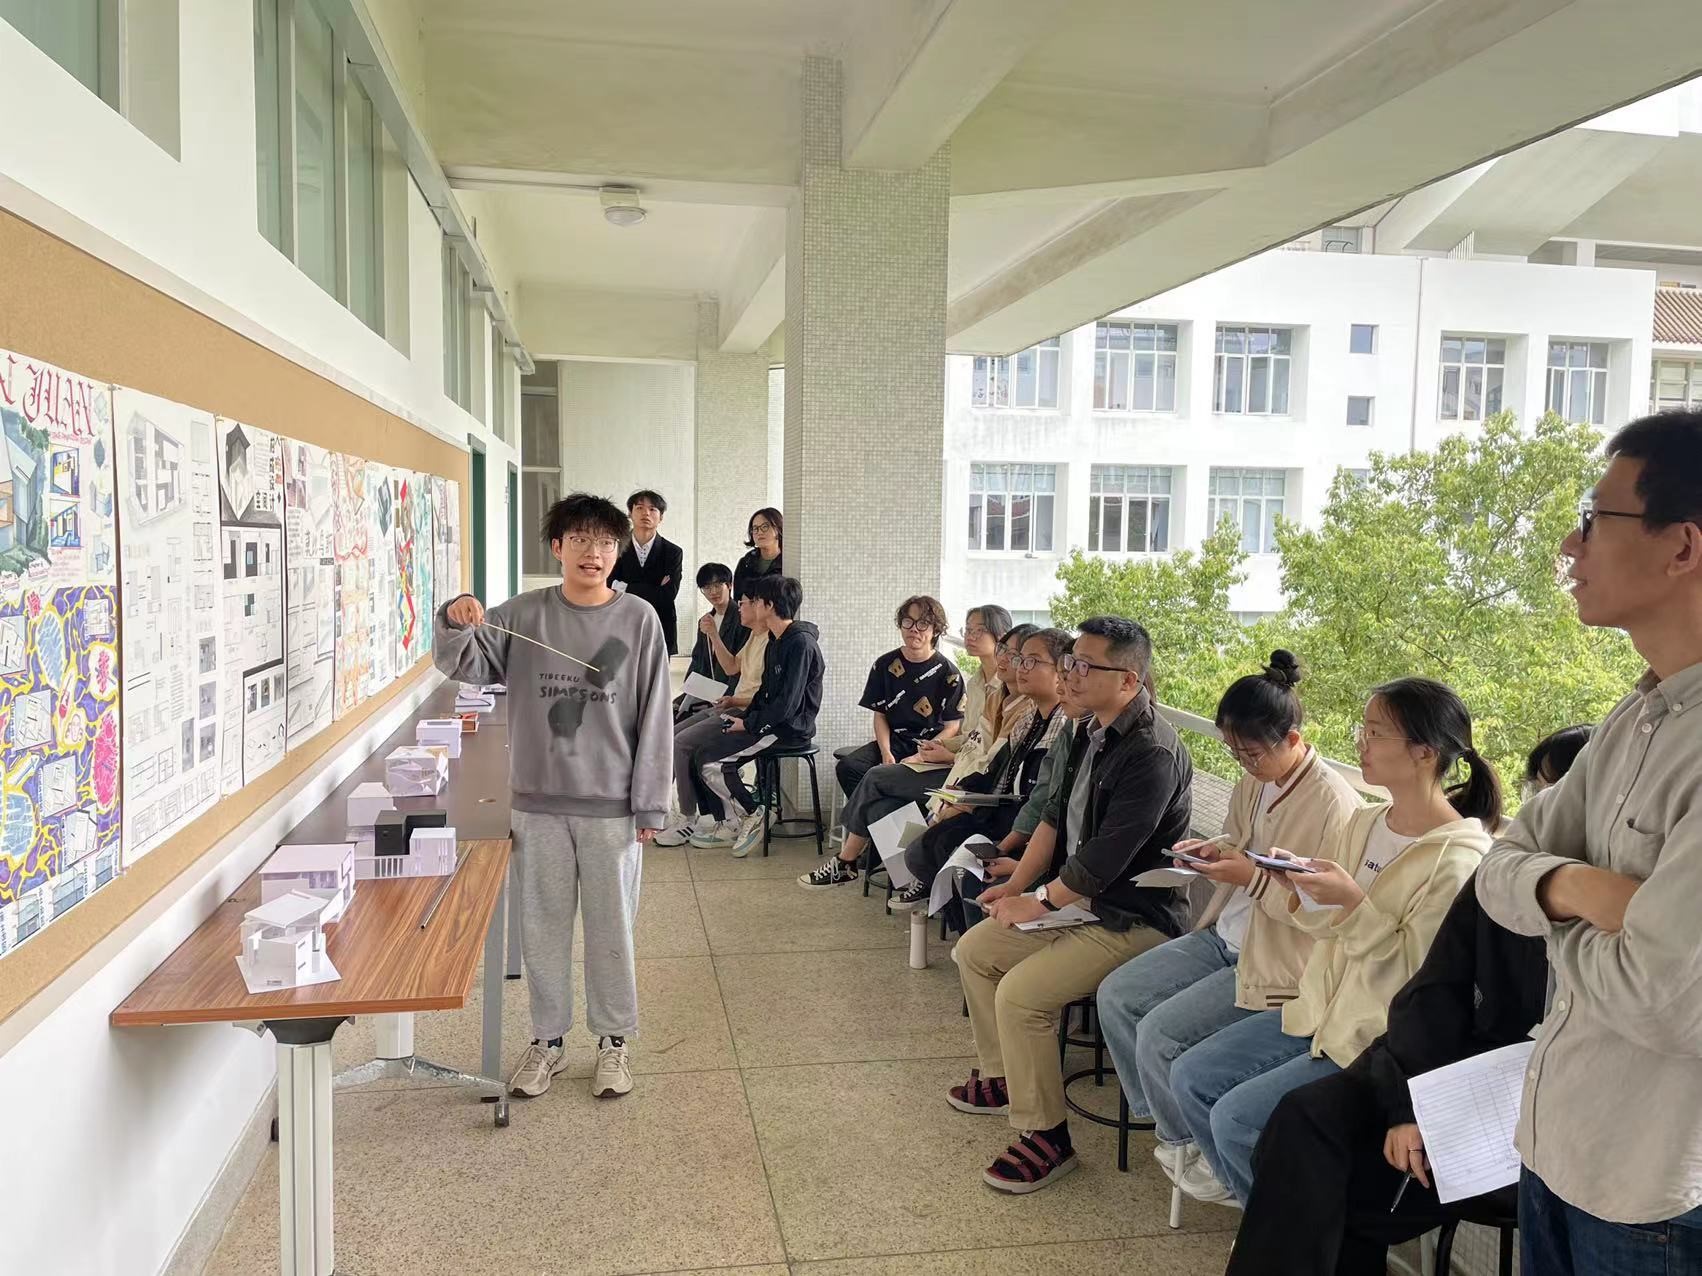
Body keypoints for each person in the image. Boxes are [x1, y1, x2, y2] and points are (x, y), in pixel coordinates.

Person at [1227, 727, 1588, 1276]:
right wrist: (1409, 1106)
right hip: (1440, 1066)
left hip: (1531, 1109)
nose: (1540, 805)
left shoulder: (1469, 859)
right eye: (1535, 789)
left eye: (1553, 790)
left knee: (1333, 1190)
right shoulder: (1504, 876)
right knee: (1302, 1120)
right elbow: (1432, 990)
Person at [1476, 411, 1702, 1274]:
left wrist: (1550, 916)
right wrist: (1578, 890)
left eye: (1593, 518)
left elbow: (1667, 1000)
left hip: (1653, 1197)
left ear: (1682, 546)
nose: (1570, 547)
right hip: (1558, 1143)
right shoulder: (1635, 716)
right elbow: (1497, 869)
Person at [1167, 677, 1501, 1206]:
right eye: (1362, 729)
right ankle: (1271, 1219)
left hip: (1372, 1039)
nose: (1361, 743)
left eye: (1375, 732)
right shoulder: (1366, 821)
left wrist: (1350, 902)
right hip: (1315, 1009)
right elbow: (1325, 928)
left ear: (1424, 752)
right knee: (1191, 1076)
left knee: (1235, 1120)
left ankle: (1286, 1231)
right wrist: (1297, 886)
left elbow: (1416, 978)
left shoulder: (1459, 859)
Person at [433, 492, 672, 1102]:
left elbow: (655, 717)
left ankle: (613, 1042)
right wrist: (455, 616)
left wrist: (650, 803)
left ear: (618, 552)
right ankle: (548, 1042)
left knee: (612, 930)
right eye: (582, 540)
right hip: (537, 804)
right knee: (541, 930)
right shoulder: (523, 615)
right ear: (558, 547)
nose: (595, 553)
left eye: (607, 543)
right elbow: (464, 663)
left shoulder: (639, 619)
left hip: (611, 806)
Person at [1094, 651, 1362, 1188]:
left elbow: (1320, 915)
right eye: (1233, 751)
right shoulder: (1256, 780)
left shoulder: (1335, 805)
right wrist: (1212, 851)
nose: (1243, 763)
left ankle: (1194, 1148)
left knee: (1160, 1036)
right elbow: (1244, 843)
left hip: (1276, 959)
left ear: (1292, 739)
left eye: (1252, 753)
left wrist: (1252, 878)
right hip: (1226, 932)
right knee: (1117, 996)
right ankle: (1179, 1132)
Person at [946, 617, 1194, 1194]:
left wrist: (1039, 901)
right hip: (1077, 903)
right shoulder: (1085, 728)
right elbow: (1053, 819)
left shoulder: (1152, 753)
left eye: (1085, 665)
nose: (1071, 675)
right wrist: (1017, 887)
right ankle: (1006, 1078)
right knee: (975, 951)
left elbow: (1105, 858)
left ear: (1128, 680)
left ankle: (1048, 1139)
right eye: (1070, 662)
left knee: (1021, 995)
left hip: (1133, 918)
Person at [890, 627, 1074, 911]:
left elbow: (1042, 803)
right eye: (1018, 658)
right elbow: (997, 767)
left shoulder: (1066, 725)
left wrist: (1003, 846)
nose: (1019, 667)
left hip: (1026, 829)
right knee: (921, 847)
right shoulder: (1026, 715)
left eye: (1031, 661)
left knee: (962, 867)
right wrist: (963, 795)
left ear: (1060, 671)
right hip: (999, 808)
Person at [802, 596, 966, 889]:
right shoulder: (885, 664)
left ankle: (851, 856)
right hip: (895, 739)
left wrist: (923, 753)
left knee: (878, 780)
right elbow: (880, 715)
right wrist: (887, 752)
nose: (914, 629)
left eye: (923, 624)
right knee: (850, 767)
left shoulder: (949, 673)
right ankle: (874, 836)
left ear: (935, 629)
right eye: (908, 622)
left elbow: (952, 726)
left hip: (931, 748)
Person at [690, 574, 824, 857]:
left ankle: (751, 815)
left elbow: (787, 704)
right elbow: (765, 692)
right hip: (766, 723)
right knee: (703, 753)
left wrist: (749, 723)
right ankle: (733, 820)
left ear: (769, 605)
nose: (748, 605)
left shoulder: (800, 644)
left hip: (787, 730)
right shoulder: (776, 639)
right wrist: (744, 719)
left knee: (712, 761)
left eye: (755, 600)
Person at [657, 583, 767, 849]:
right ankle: (671, 808)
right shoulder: (754, 636)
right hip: (729, 703)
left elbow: (767, 696)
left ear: (761, 606)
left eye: (744, 603)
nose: (740, 608)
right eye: (707, 588)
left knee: (682, 744)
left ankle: (689, 817)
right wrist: (714, 635)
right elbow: (731, 668)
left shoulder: (773, 643)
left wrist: (734, 700)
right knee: (671, 735)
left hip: (742, 710)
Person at [910, 606, 1014, 793]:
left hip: (975, 777)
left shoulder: (1009, 687)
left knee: (878, 779)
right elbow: (970, 736)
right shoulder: (975, 683)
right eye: (968, 630)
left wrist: (949, 756)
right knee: (882, 790)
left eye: (979, 630)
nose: (970, 637)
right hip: (958, 765)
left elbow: (993, 751)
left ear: (1002, 636)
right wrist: (941, 745)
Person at [608, 489, 684, 655]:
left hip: (659, 623)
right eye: (640, 508)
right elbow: (608, 587)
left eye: (652, 509)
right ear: (630, 513)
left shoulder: (673, 552)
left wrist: (624, 587)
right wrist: (655, 588)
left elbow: (668, 594)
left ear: (661, 517)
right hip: (622, 623)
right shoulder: (614, 547)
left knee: (657, 672)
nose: (646, 513)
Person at [677, 562, 748, 717]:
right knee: (672, 712)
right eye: (707, 588)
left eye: (717, 585)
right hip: (707, 692)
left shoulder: (743, 619)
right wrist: (688, 690)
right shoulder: (706, 621)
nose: (713, 592)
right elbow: (698, 660)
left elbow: (741, 666)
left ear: (729, 585)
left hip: (729, 694)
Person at [732, 507, 783, 598]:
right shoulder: (745, 563)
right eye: (755, 528)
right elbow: (738, 599)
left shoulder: (787, 563)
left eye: (765, 527)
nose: (759, 532)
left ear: (778, 528)